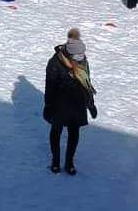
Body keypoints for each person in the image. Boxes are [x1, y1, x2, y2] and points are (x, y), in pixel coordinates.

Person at [44, 28, 97, 176]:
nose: (81, 58)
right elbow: (50, 85)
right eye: (78, 56)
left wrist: (91, 104)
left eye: (82, 55)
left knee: (74, 133)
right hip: (59, 103)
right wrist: (48, 104)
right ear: (69, 53)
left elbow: (87, 83)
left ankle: (69, 162)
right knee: (56, 131)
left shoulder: (83, 61)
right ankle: (55, 161)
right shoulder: (55, 63)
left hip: (77, 103)